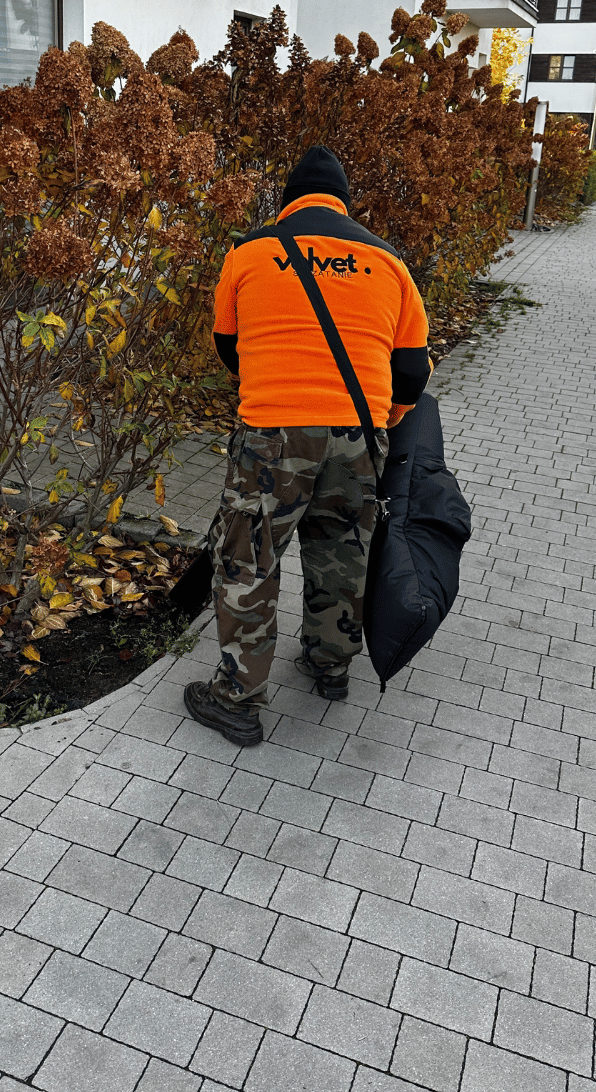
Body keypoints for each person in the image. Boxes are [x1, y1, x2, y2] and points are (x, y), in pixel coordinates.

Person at [183, 145, 431, 747]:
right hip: (358, 436)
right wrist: (382, 423)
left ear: (290, 199)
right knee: (341, 551)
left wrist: (269, 381)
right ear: (344, 201)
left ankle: (237, 699)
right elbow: (413, 371)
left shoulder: (250, 252)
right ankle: (330, 666)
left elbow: (226, 342)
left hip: (273, 436)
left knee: (249, 558)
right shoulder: (389, 263)